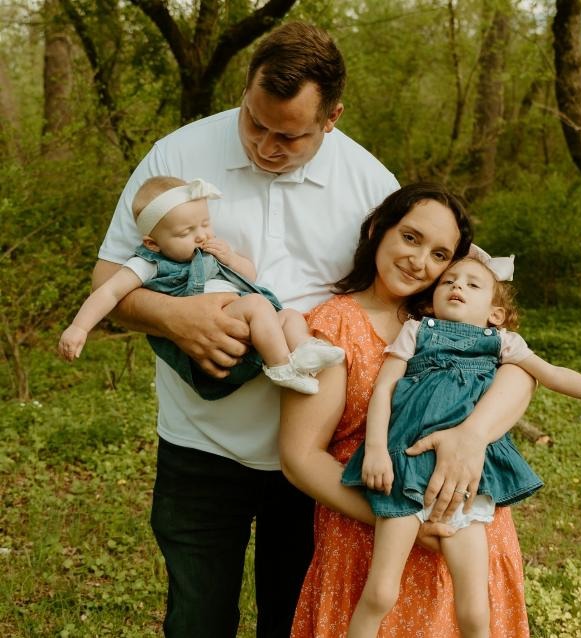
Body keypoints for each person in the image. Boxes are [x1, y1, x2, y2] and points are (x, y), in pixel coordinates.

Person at [92, 21, 405, 637]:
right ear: (245, 90)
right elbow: (107, 277)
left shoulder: (372, 185)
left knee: (293, 622)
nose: (265, 146)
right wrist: (172, 316)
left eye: (288, 136)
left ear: (332, 117)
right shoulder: (177, 155)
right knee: (197, 620)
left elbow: (413, 301)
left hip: (320, 453)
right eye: (254, 123)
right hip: (199, 441)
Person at [340, 250, 581, 638]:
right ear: (432, 299)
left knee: (475, 608)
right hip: (403, 468)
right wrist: (375, 448)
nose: (457, 286)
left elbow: (553, 375)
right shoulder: (416, 331)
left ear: (495, 314)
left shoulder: (503, 343)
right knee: (380, 593)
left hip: (466, 485)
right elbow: (384, 389)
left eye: (473, 284)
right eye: (448, 281)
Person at [280, 183, 536, 638]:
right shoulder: (335, 323)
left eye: (439, 255)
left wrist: (472, 436)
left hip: (470, 522)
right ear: (378, 230)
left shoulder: (454, 314)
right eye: (410, 238)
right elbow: (300, 457)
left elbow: (522, 375)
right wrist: (402, 518)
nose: (419, 262)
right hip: (372, 529)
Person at [59, 175, 345, 396]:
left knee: (289, 316)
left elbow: (249, 276)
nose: (201, 236)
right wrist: (79, 328)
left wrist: (230, 257)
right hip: (217, 345)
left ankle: (305, 351)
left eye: (205, 224)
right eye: (186, 232)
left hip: (252, 330)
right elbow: (109, 291)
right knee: (258, 305)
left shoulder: (209, 251)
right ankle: (282, 369)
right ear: (153, 243)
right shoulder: (148, 263)